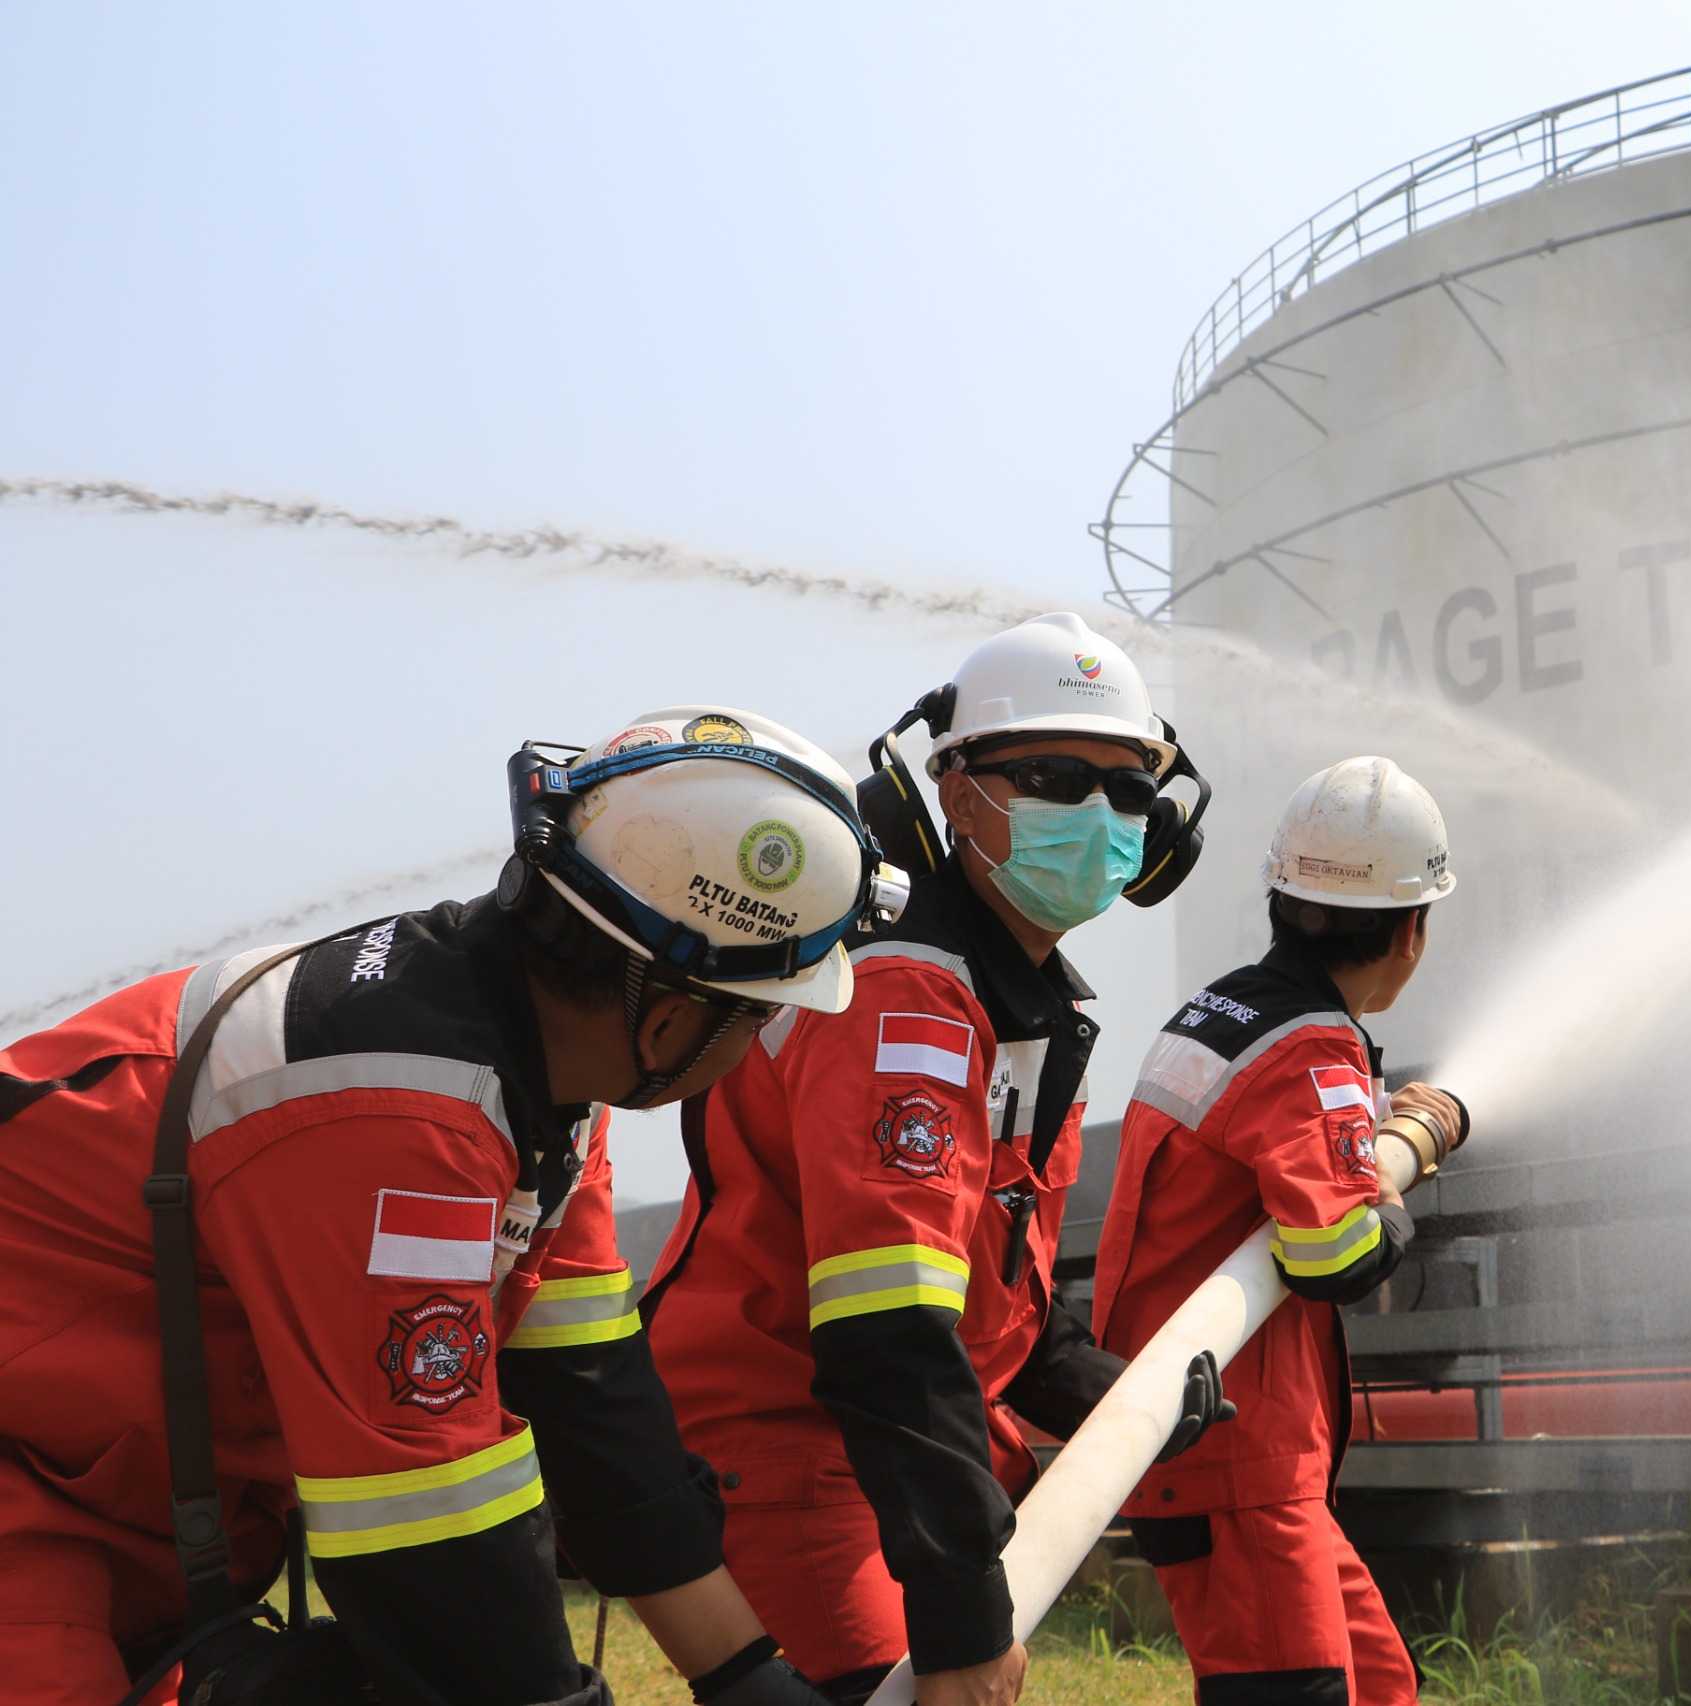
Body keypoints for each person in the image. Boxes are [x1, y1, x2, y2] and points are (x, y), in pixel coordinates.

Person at [0, 706, 899, 1706]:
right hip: (33, 1524)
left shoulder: (545, 1103)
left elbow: (596, 1407)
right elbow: (424, 1512)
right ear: (678, 1013)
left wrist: (742, 1675)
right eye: (764, 1016)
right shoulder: (388, 1104)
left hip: (111, 1518)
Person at [644, 613, 1228, 1706]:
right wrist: (960, 1611)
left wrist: (1110, 1390)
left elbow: (994, 1274)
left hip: (880, 1460)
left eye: (1131, 790)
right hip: (800, 1454)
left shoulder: (1024, 998)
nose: (1102, 814)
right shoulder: (907, 991)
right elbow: (885, 1328)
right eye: (1058, 776)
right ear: (955, 793)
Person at [1092, 756, 1468, 1706]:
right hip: (1234, 1462)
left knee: (1381, 1688)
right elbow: (1334, 1254)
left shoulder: (1220, 1010)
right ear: (1411, 929)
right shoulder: (1307, 1041)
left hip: (1238, 1455)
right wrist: (1403, 1162)